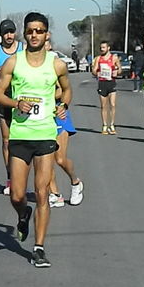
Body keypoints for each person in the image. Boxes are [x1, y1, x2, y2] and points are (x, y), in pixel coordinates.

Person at [0, 12, 72, 268]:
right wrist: (16, 103)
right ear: (25, 34)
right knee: (17, 196)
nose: (35, 35)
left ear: (46, 34)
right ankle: (23, 214)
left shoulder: (56, 63)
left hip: (45, 135)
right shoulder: (13, 63)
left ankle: (39, 248)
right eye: (30, 31)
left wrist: (63, 105)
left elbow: (66, 89)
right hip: (20, 136)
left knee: (41, 193)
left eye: (39, 31)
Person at [0, 19, 25, 195]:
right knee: (7, 140)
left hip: (22, 98)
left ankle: (22, 176)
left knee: (24, 140)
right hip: (3, 99)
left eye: (11, 32)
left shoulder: (22, 49)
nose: (9, 36)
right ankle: (10, 178)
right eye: (6, 33)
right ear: (1, 35)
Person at [44, 39, 83, 208]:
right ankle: (55, 194)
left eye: (46, 40)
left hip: (58, 113)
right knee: (46, 159)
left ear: (50, 45)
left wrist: (46, 96)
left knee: (59, 159)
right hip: (41, 117)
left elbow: (63, 89)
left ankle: (76, 182)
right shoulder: (29, 64)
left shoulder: (56, 63)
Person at [92, 41, 120, 134]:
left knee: (112, 104)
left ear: (108, 48)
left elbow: (120, 69)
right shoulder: (98, 58)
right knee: (104, 106)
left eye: (103, 47)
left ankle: (112, 124)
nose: (101, 49)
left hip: (111, 83)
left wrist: (117, 72)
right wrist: (97, 73)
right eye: (101, 47)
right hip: (102, 83)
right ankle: (104, 125)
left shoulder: (114, 58)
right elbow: (94, 70)